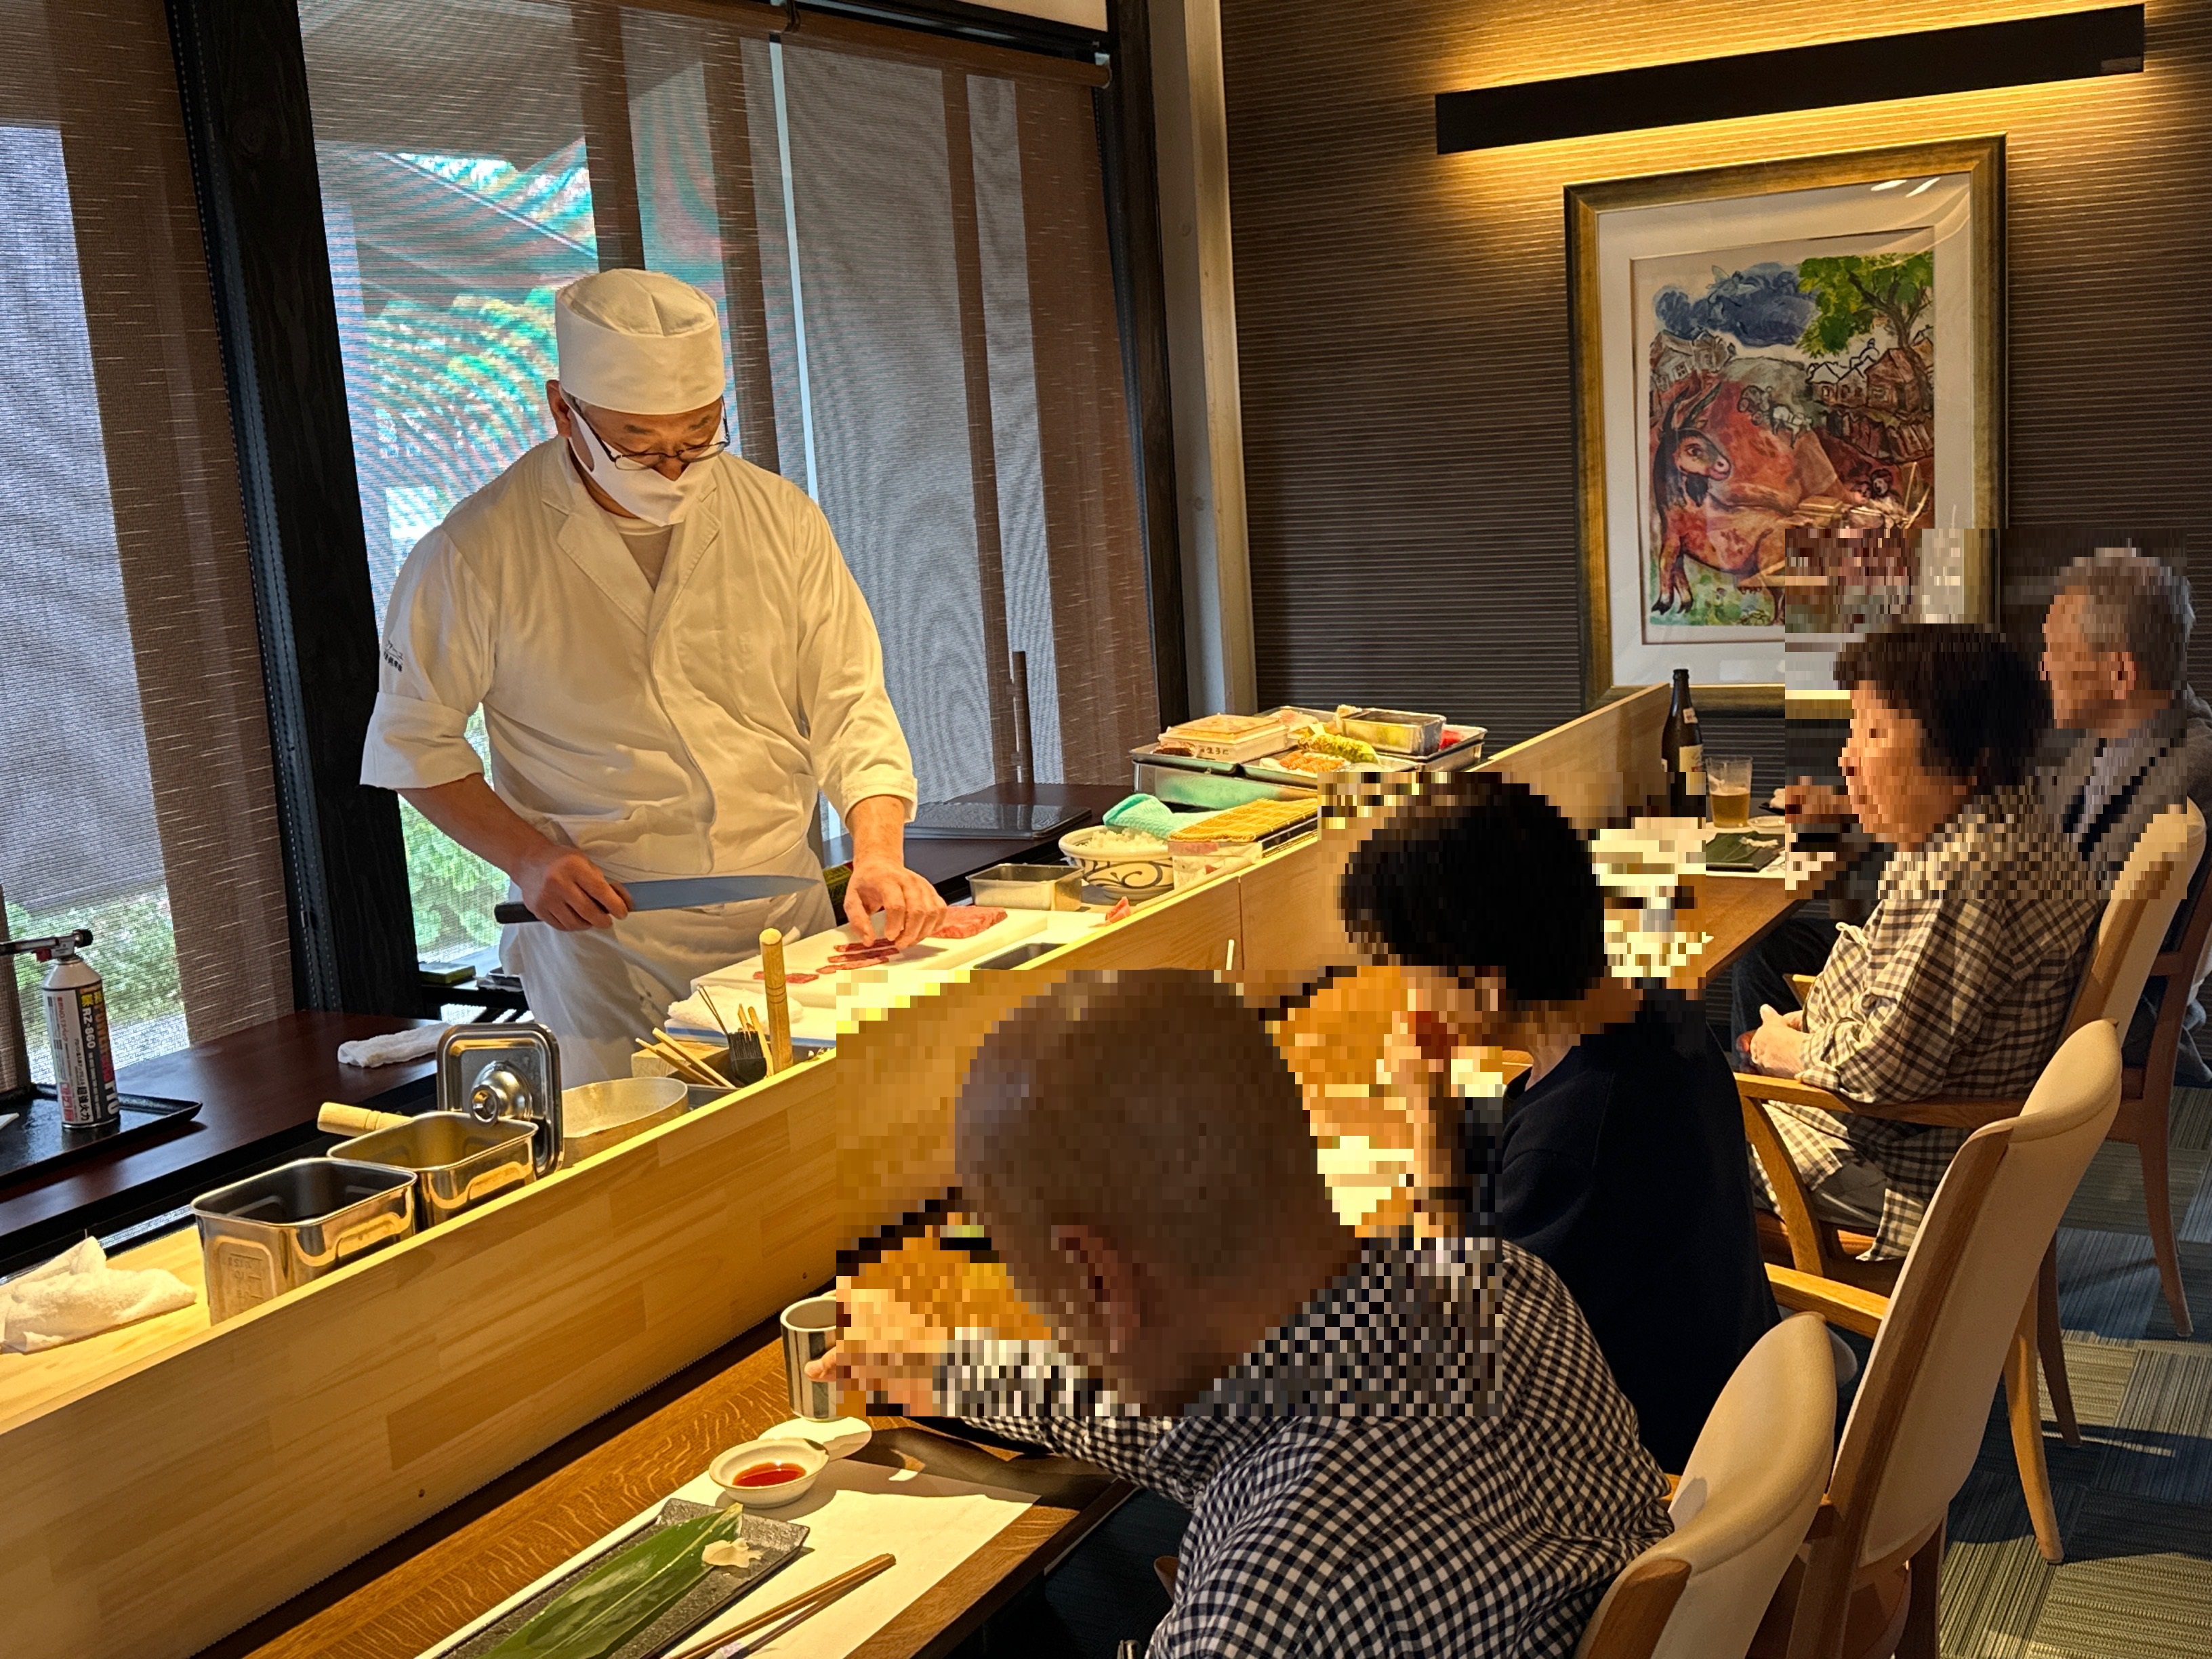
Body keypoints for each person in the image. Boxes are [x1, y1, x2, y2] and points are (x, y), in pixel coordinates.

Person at [817, 971, 1672, 1659]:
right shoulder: (1504, 1285)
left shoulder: (1260, 1610)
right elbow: (1210, 1426)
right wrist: (943, 1370)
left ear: (1096, 1279)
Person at [361, 270, 942, 1080]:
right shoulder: (476, 551)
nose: (673, 468)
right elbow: (413, 744)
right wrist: (528, 860)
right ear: (563, 408)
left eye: (699, 435)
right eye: (637, 440)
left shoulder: (780, 519)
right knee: (650, 1179)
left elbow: (850, 702)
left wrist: (880, 850)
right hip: (605, 945)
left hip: (783, 914)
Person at [1334, 772, 1778, 1473]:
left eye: (1409, 970)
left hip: (1638, 1465)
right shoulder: (1655, 1014)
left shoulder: (1577, 1139)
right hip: (1731, 1391)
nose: (1408, 993)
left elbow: (1466, 1353)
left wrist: (1427, 1125)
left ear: (1485, 982)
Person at [1742, 623, 2102, 1257]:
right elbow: (1898, 1015)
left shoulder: (1960, 874)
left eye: (1875, 732)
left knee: (1649, 1129)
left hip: (1905, 1170)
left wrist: (1782, 1050)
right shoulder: (2005, 822)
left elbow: (1883, 1071)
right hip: (1926, 1136)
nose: (1847, 757)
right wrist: (1814, 1026)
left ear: (1970, 755)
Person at [2041, 550, 2212, 1078]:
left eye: (2056, 651)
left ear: (2119, 671)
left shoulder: (2190, 770)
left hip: (2102, 1017)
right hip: (2066, 981)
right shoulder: (2110, 744)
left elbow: (2086, 926)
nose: (2044, 668)